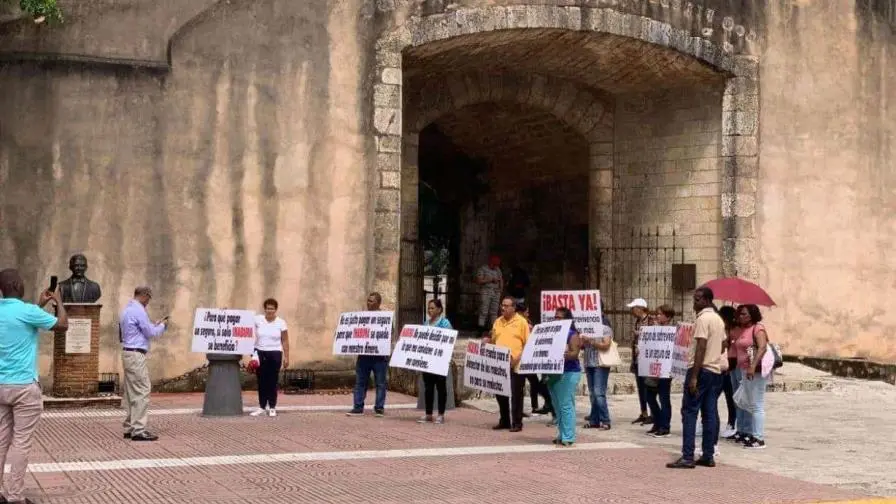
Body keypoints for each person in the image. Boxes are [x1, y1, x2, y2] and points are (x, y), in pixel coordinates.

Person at [0, 269, 68, 504]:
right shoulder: (27, 311)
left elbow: (22, 325)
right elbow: (62, 325)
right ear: (17, 284)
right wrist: (58, 301)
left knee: (0, 440)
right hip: (24, 387)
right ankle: (15, 496)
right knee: (21, 442)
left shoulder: (20, 311)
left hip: (1, 386)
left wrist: (39, 304)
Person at [667, 286, 725, 469]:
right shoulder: (718, 319)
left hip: (701, 370)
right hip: (715, 371)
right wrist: (714, 355)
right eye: (694, 299)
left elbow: (700, 346)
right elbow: (724, 344)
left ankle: (687, 456)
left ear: (707, 300)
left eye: (698, 299)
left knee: (690, 412)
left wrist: (694, 376)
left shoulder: (703, 319)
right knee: (709, 414)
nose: (694, 302)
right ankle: (708, 455)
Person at [120, 286, 167, 441]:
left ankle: (129, 426)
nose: (148, 301)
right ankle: (138, 429)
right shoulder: (139, 310)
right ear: (146, 296)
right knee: (142, 390)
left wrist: (154, 325)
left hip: (127, 351)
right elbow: (150, 333)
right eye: (149, 298)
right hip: (136, 354)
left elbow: (141, 330)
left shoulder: (127, 309)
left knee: (130, 392)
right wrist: (162, 326)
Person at [482, 296, 529, 432]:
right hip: (500, 364)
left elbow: (528, 344)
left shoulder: (522, 322)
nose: (503, 308)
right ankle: (504, 420)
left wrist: (517, 359)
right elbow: (494, 340)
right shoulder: (497, 322)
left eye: (507, 306)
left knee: (516, 394)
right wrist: (487, 341)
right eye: (502, 305)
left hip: (517, 364)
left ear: (514, 308)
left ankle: (517, 422)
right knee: (500, 393)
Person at [730, 304, 770, 449]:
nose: (741, 317)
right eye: (740, 314)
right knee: (745, 401)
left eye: (744, 314)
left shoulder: (758, 328)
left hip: (755, 371)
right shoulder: (743, 330)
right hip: (744, 370)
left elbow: (763, 347)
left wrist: (753, 365)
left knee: (756, 404)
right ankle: (750, 433)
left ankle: (759, 438)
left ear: (752, 315)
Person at [347, 292, 388, 417]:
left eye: (371, 301)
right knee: (360, 382)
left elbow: (388, 335)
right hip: (364, 356)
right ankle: (358, 407)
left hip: (380, 357)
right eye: (368, 300)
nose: (368, 303)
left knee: (380, 383)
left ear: (378, 303)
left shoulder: (385, 319)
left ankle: (379, 408)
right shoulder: (361, 317)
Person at [545, 307, 582, 447]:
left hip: (568, 372)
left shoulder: (572, 334)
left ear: (567, 320)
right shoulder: (553, 333)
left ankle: (568, 436)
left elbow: (574, 354)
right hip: (554, 372)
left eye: (559, 317)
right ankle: (561, 434)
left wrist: (559, 354)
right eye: (555, 317)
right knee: (557, 405)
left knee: (566, 404)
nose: (556, 320)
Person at [250, 298, 290, 418]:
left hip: (275, 353)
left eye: (272, 308)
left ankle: (272, 407)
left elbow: (285, 340)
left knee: (272, 381)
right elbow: (242, 320)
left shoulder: (281, 322)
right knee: (261, 381)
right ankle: (262, 407)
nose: (270, 310)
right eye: (268, 308)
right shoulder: (258, 320)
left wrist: (287, 356)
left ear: (275, 310)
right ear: (265, 309)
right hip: (260, 352)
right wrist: (224, 312)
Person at [417, 299, 452, 424]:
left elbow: (449, 340)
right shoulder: (426, 323)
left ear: (439, 310)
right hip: (428, 362)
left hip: (440, 361)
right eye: (429, 308)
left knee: (441, 387)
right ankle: (428, 414)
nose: (430, 310)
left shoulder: (445, 323)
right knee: (428, 388)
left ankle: (441, 414)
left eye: (432, 308)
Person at [515, 302, 552, 417]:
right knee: (527, 384)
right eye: (526, 311)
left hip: (529, 359)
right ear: (521, 312)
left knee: (535, 383)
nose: (528, 313)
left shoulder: (527, 322)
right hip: (521, 359)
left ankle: (535, 406)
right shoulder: (519, 324)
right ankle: (526, 408)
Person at [582, 301, 613, 430]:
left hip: (600, 364)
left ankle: (605, 419)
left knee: (599, 393)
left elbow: (606, 345)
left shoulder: (605, 328)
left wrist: (592, 342)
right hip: (589, 362)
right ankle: (594, 420)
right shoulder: (586, 328)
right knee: (592, 393)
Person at [645, 304, 675, 438]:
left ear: (667, 317)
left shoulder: (672, 331)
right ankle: (657, 421)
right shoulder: (654, 330)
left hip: (665, 370)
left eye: (660, 314)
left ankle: (665, 426)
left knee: (664, 398)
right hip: (653, 367)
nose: (657, 316)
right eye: (657, 314)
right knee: (649, 396)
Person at [627, 298, 652, 425]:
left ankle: (652, 413)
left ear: (640, 308)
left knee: (648, 387)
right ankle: (643, 412)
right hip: (637, 358)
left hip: (647, 359)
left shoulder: (651, 320)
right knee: (640, 386)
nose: (632, 311)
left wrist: (640, 334)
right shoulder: (638, 321)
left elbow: (654, 337)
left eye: (633, 308)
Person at [718, 305, 738, 439]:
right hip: (720, 367)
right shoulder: (720, 330)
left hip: (731, 368)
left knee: (731, 398)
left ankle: (732, 423)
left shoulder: (734, 331)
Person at [475, 255, 503, 332]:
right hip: (486, 291)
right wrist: (489, 279)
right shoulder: (483, 269)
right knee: (484, 311)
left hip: (496, 292)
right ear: (490, 263)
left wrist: (500, 290)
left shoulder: (498, 270)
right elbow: (478, 281)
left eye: (496, 265)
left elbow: (501, 280)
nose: (495, 266)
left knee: (494, 311)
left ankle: (493, 329)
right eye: (494, 264)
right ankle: (480, 329)